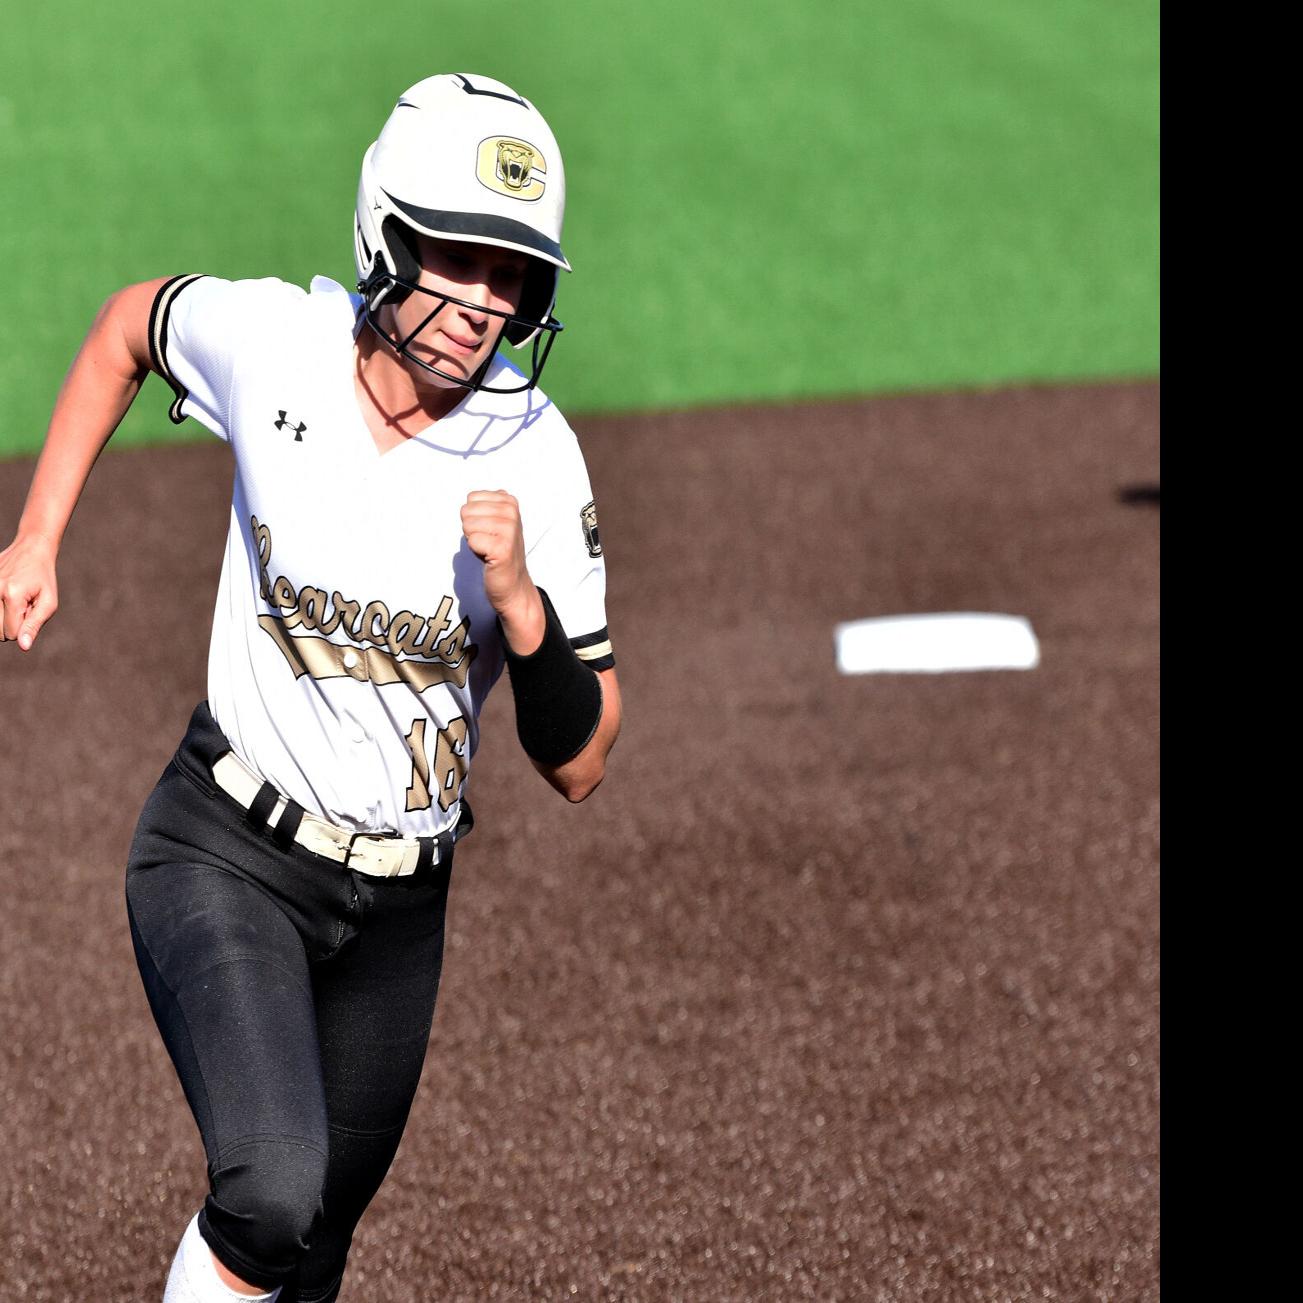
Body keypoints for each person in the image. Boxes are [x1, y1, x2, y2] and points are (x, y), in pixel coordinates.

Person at [0, 72, 620, 1302]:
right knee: (272, 1191)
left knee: (310, 1252)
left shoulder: (538, 461)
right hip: (225, 849)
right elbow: (129, 326)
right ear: (384, 236)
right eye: (456, 258)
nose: (482, 305)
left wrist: (525, 614)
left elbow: (584, 759)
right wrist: (37, 532)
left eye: (512, 278)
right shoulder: (274, 342)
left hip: (398, 916)